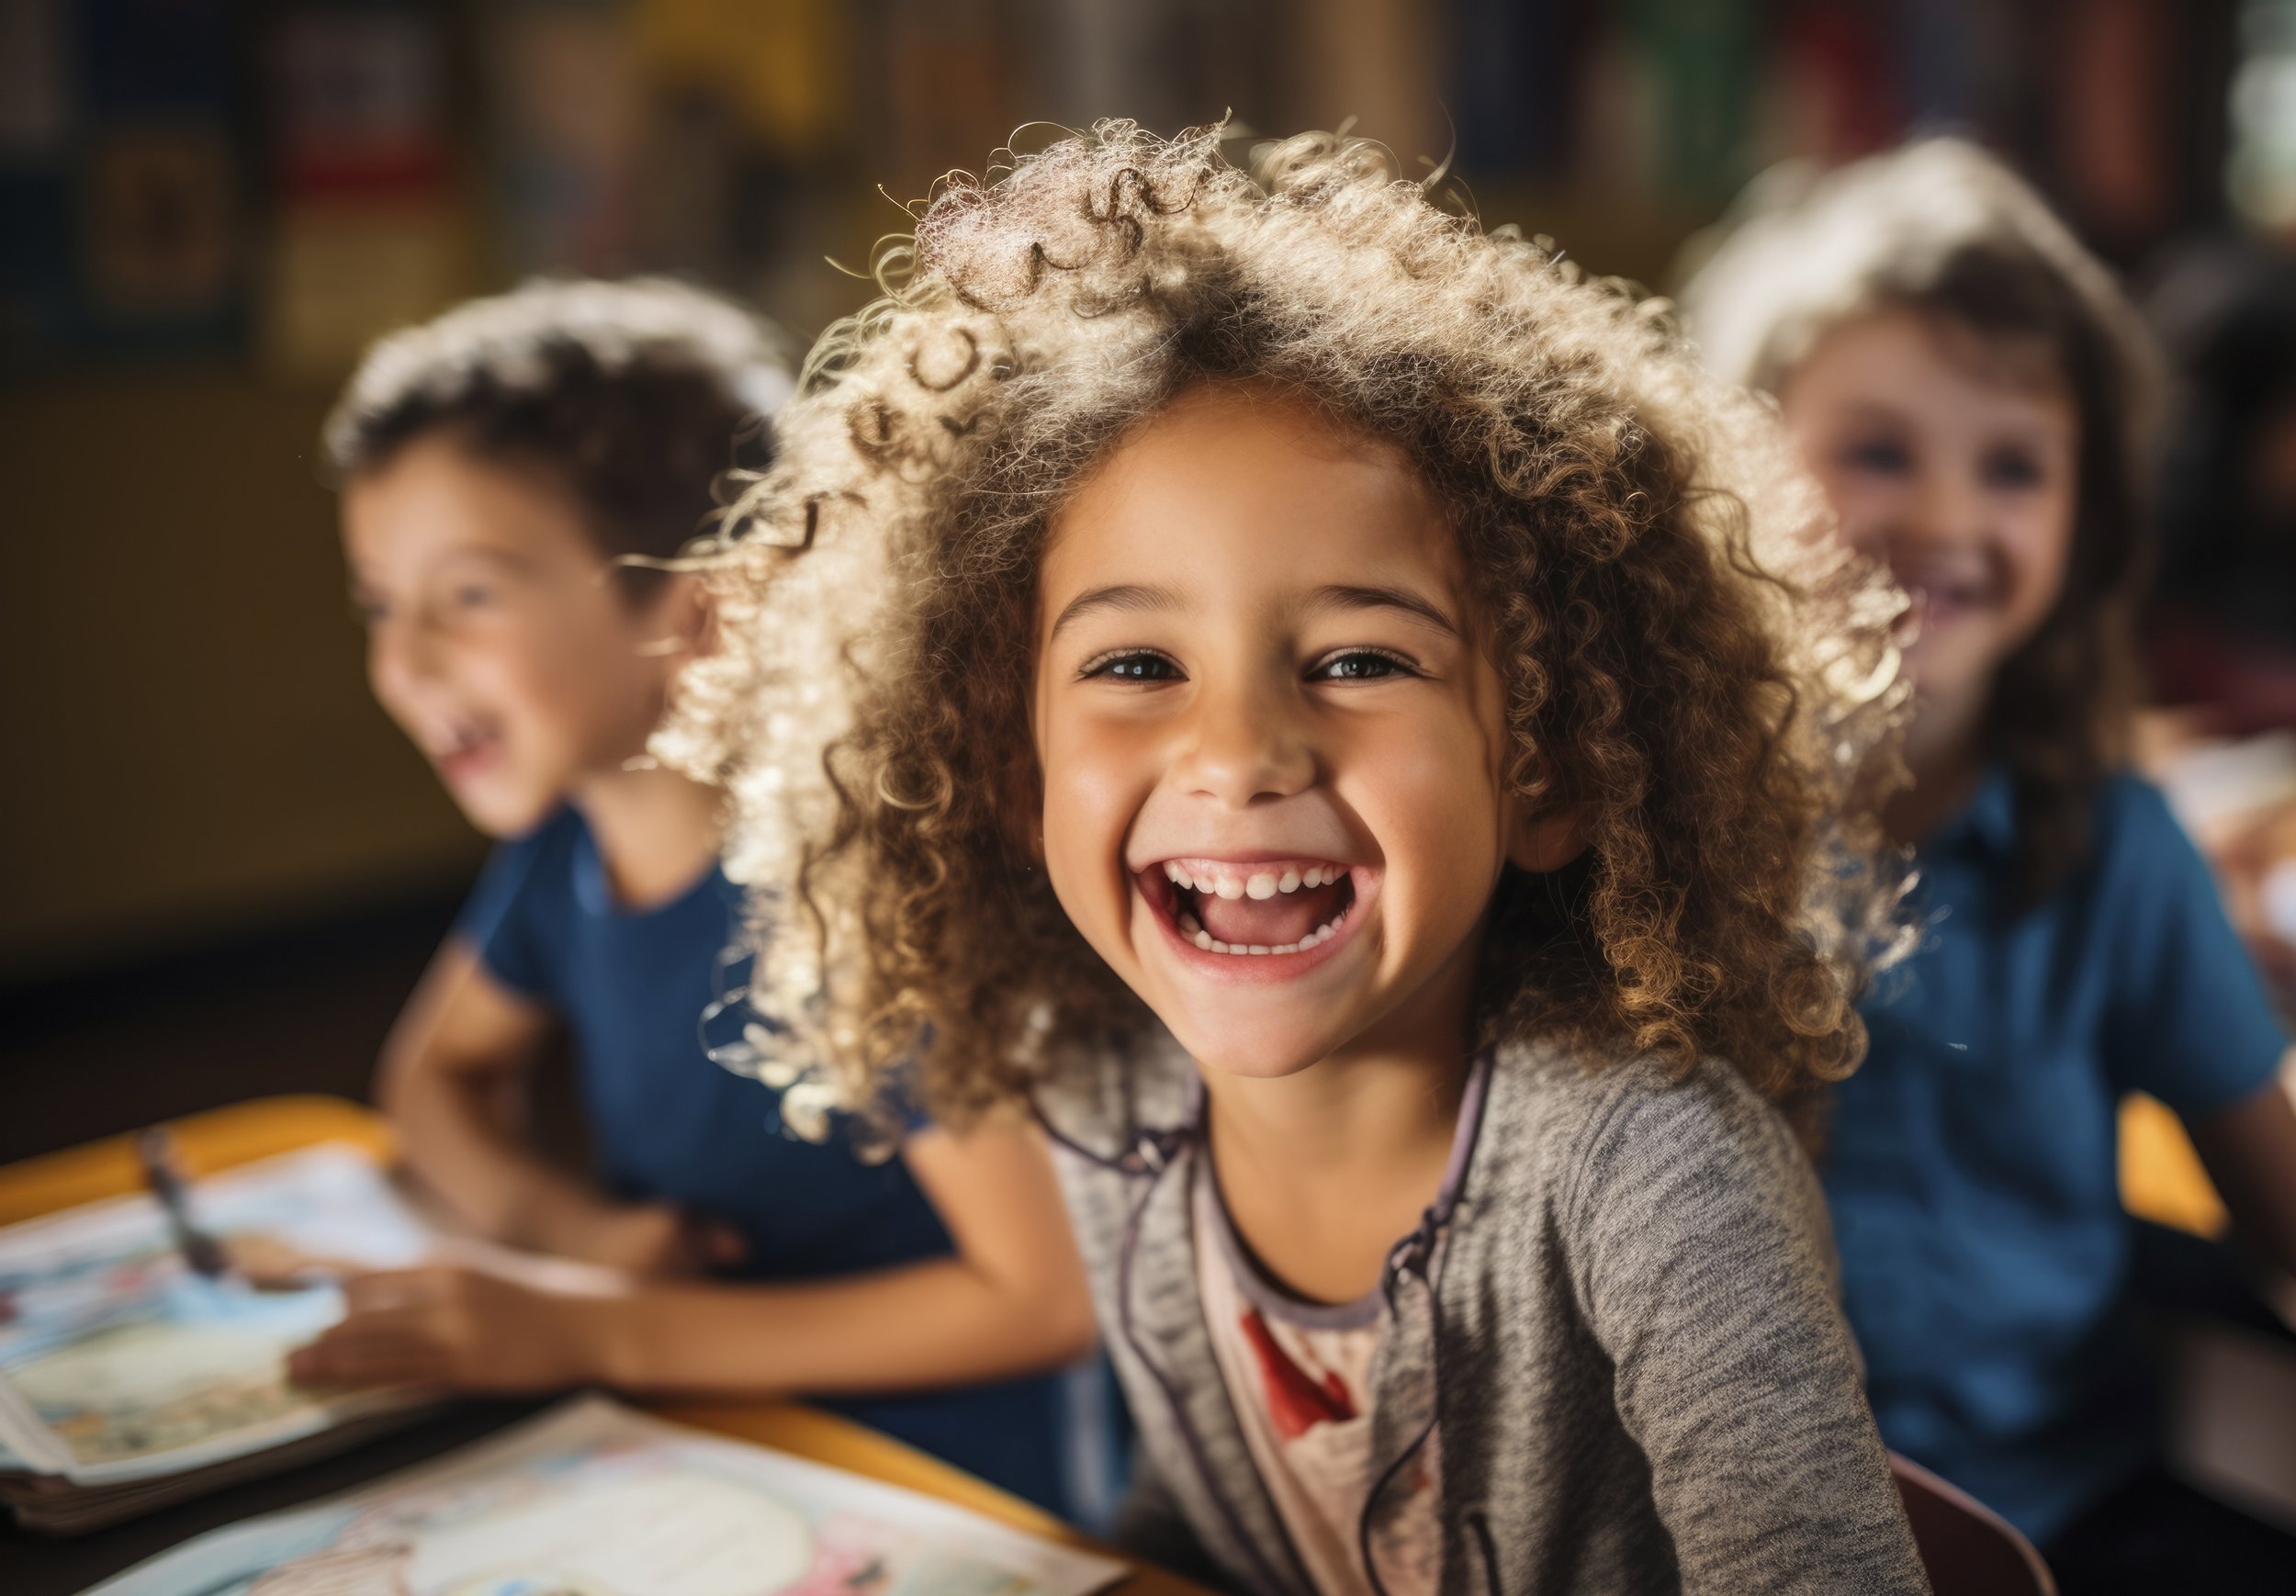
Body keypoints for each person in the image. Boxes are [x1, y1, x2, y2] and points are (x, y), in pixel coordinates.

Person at [660, 123, 1930, 1594]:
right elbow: (1219, 1521)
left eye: (1357, 657)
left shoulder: (1652, 1170)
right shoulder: (1104, 1094)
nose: (1239, 750)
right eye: (1138, 660)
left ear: (1555, 774)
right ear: (1012, 771)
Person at [307, 277, 1097, 1512]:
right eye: (380, 603)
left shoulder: (860, 889)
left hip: (932, 1495)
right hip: (696, 1449)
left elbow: (1043, 1296)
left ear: (701, 613)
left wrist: (602, 1325)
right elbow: (430, 1079)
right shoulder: (566, 851)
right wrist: (575, 1237)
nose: (400, 662)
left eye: (467, 595)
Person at [1681, 139, 2296, 1591]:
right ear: (1726, 460)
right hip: (1716, 1529)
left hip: (2064, 1514)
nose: (1950, 519)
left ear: (2087, 524)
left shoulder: (2118, 850)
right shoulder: (1637, 835)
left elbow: (2277, 1202)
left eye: (2014, 465)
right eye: (1879, 450)